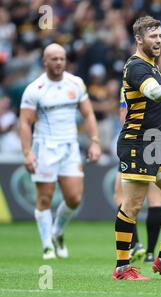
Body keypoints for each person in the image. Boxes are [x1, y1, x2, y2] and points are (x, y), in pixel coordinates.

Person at [112, 16, 161, 281]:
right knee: (132, 207)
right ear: (139, 39)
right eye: (153, 37)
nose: (158, 41)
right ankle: (122, 268)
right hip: (136, 144)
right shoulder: (136, 67)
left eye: (160, 36)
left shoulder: (152, 67)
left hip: (156, 143)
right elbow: (154, 95)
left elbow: (149, 113)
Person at [19, 43, 102, 260]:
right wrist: (27, 153)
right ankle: (47, 246)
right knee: (44, 198)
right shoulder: (35, 89)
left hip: (70, 147)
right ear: (45, 61)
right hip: (44, 147)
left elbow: (89, 115)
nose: (58, 63)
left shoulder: (76, 83)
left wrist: (94, 142)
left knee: (74, 198)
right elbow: (25, 123)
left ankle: (57, 231)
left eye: (62, 59)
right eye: (54, 59)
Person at [113, 73, 161, 264]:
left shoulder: (133, 81)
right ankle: (151, 253)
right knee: (155, 201)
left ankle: (135, 246)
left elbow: (124, 116)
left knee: (122, 198)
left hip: (139, 141)